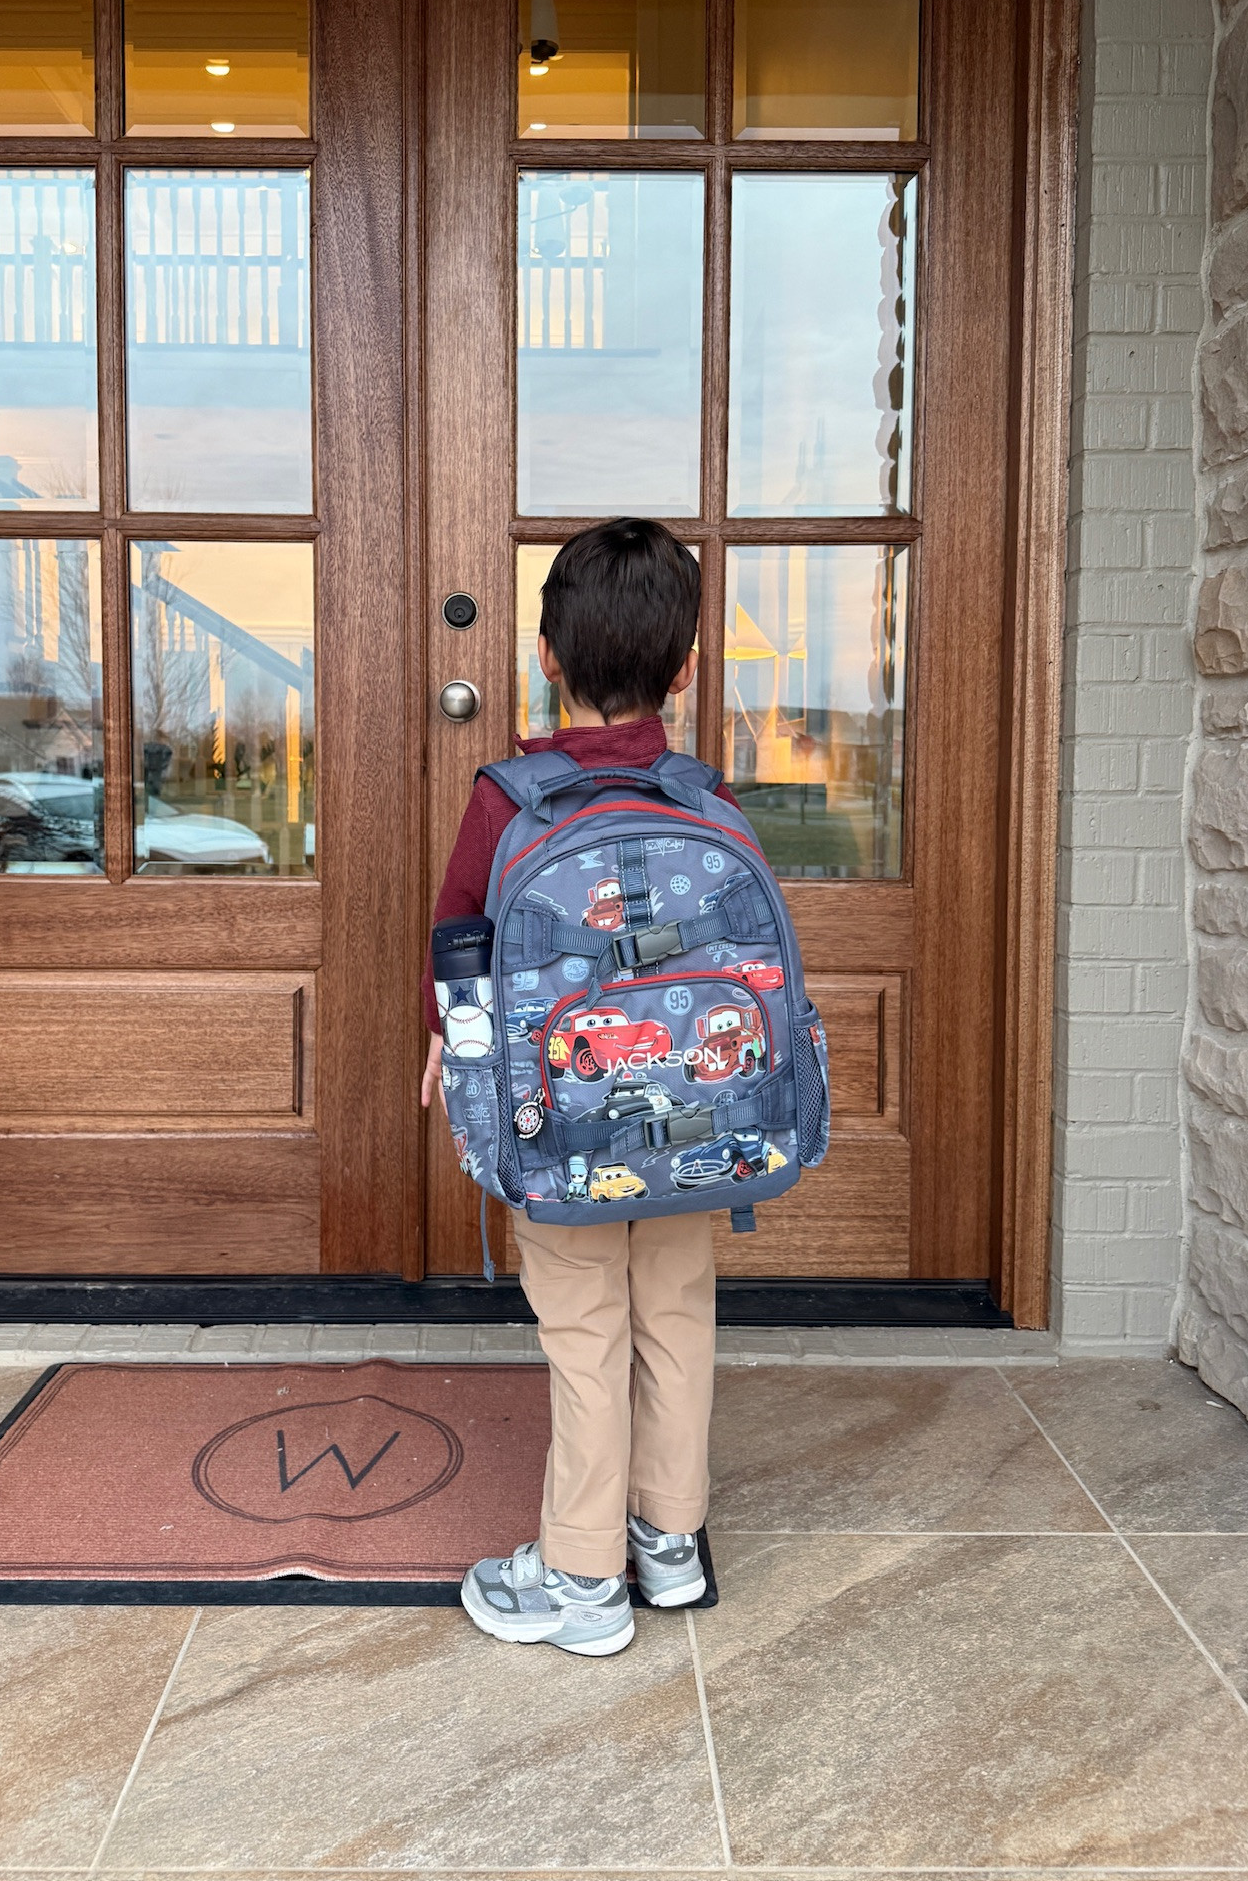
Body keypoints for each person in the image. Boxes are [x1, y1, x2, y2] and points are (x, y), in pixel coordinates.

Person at [421, 517, 736, 1657]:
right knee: (677, 1319)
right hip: (696, 1120)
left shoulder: (511, 797)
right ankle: (670, 1541)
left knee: (585, 1330)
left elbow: (462, 933)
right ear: (687, 668)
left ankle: (583, 1575)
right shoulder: (705, 795)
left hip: (559, 1123)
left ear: (544, 656)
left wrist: (452, 1042)